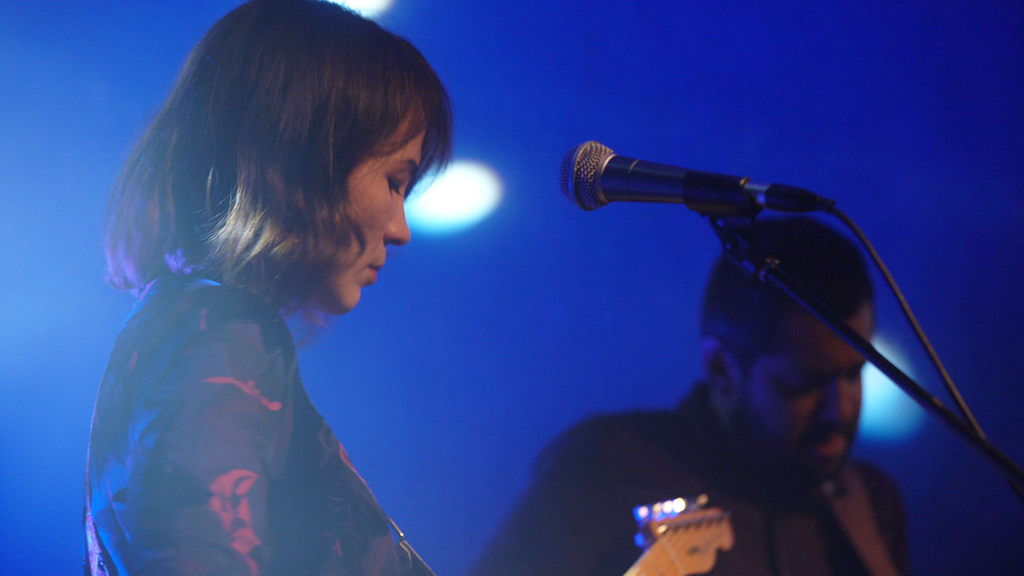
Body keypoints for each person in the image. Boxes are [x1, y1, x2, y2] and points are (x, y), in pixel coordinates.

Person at [84, 1, 452, 574]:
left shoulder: (187, 326)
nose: (401, 230)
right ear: (306, 156)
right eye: (395, 181)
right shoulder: (223, 335)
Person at [469, 217, 908, 576]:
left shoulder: (871, 503)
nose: (842, 408)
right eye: (802, 384)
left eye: (854, 375)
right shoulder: (606, 469)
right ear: (720, 368)